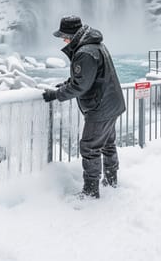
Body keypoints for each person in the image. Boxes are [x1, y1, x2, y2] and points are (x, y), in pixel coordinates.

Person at [42, 15, 125, 199]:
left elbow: (80, 85)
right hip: (112, 103)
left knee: (90, 148)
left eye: (64, 36)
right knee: (108, 144)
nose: (63, 40)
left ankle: (90, 191)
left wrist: (56, 94)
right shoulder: (94, 45)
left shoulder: (84, 52)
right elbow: (86, 77)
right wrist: (64, 85)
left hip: (100, 108)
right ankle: (111, 181)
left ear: (71, 35)